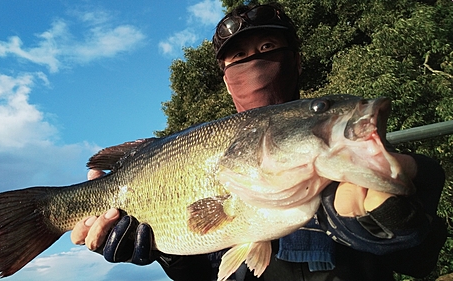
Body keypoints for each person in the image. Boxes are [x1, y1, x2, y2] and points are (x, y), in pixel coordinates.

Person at [70, 3, 447, 281]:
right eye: (238, 57)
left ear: (297, 62)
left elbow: (418, 258)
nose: (254, 63)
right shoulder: (200, 152)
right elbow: (203, 275)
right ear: (225, 78)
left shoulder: (348, 151)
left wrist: (393, 206)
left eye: (267, 49)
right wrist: (165, 254)